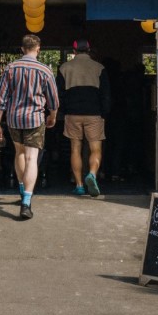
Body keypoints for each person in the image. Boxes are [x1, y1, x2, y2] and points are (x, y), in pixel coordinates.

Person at [0, 34, 59, 220]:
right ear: (38, 49)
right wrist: (52, 117)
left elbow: (0, 100)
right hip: (35, 120)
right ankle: (26, 202)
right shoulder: (45, 70)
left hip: (14, 119)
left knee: (19, 153)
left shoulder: (10, 68)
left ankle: (22, 191)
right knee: (31, 158)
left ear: (22, 49)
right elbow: (53, 101)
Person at [58, 39, 111, 197]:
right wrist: (104, 113)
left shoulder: (64, 68)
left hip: (73, 114)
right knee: (96, 149)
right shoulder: (99, 68)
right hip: (94, 113)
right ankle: (92, 174)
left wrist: (63, 111)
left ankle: (79, 185)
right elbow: (106, 94)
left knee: (75, 148)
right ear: (88, 50)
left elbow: (59, 94)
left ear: (74, 51)